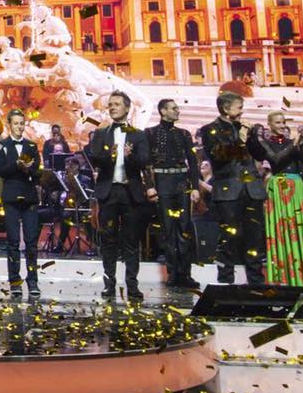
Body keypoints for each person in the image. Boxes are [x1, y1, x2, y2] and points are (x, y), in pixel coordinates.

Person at [84, 91, 152, 301]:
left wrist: (130, 157)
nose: (112, 107)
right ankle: (109, 285)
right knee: (108, 241)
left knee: (131, 241)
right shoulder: (101, 133)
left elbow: (144, 161)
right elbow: (94, 159)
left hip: (131, 193)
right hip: (108, 192)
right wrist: (110, 156)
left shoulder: (139, 135)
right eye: (110, 104)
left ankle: (132, 285)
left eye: (116, 104)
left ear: (127, 108)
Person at [198, 91, 268, 285]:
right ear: (226, 108)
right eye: (239, 107)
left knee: (255, 238)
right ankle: (225, 281)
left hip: (251, 189)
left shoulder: (245, 129)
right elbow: (218, 156)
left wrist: (251, 137)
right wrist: (240, 141)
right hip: (228, 191)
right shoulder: (209, 129)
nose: (242, 111)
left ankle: (256, 282)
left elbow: (260, 154)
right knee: (228, 238)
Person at [258, 110, 303, 290]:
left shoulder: (293, 143)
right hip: (278, 187)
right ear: (269, 124)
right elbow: (276, 160)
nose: (282, 126)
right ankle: (284, 276)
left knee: (301, 228)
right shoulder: (265, 144)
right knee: (281, 229)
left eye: (283, 122)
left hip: (296, 188)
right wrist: (294, 144)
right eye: (277, 123)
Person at [138, 98, 203, 290]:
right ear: (163, 111)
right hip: (162, 182)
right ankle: (173, 274)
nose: (177, 111)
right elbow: (145, 162)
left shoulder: (184, 134)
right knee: (168, 229)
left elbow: (193, 162)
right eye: (173, 108)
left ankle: (186, 274)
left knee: (184, 228)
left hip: (181, 183)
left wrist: (195, 187)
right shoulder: (149, 133)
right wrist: (150, 186)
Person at [0, 108, 45, 300]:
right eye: (16, 123)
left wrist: (30, 169)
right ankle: (15, 282)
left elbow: (38, 172)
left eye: (22, 123)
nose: (19, 127)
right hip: (11, 198)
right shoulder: (2, 146)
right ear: (9, 125)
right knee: (13, 242)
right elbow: (1, 171)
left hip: (29, 197)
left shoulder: (31, 146)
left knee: (31, 242)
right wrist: (17, 165)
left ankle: (33, 281)